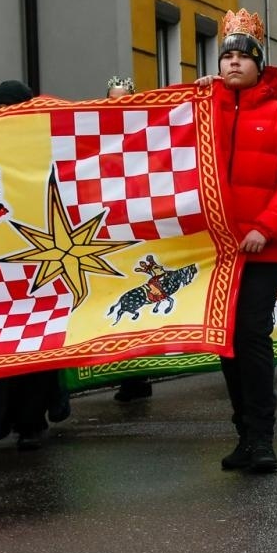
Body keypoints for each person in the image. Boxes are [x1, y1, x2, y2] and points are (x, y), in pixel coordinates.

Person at [198, 10, 277, 473]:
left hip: (261, 251)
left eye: (243, 56)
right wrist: (196, 97)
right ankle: (244, 434)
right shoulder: (203, 110)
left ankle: (263, 438)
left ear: (259, 63)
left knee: (252, 337)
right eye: (226, 55)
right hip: (217, 252)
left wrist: (263, 228)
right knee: (226, 343)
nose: (233, 62)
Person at [0, 79, 71, 450]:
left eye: (12, 109)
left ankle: (31, 420)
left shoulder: (42, 145)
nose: (4, 117)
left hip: (37, 262)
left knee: (32, 346)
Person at [98, 76, 157, 405]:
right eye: (112, 99)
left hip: (137, 232)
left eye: (124, 99)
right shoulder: (96, 136)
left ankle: (139, 374)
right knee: (118, 301)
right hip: (108, 232)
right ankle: (124, 372)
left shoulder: (146, 136)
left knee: (138, 302)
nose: (118, 105)